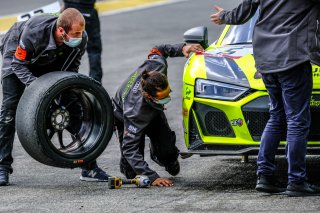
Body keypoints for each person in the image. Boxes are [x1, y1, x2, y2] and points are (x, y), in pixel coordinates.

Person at [211, 0, 320, 196]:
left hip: (265, 58)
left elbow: (242, 13)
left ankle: (265, 176)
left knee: (277, 116)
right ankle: (296, 180)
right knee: (297, 121)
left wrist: (224, 16)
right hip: (292, 58)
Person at [0, 8, 109, 186]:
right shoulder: (33, 33)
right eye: (76, 33)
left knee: (73, 106)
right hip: (17, 56)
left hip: (51, 57)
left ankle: (89, 166)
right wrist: (39, 89)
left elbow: (71, 71)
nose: (80, 37)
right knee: (8, 112)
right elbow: (18, 65)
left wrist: (62, 93)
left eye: (81, 32)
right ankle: (2, 167)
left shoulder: (80, 39)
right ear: (61, 31)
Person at [113, 43, 204, 186]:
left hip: (152, 110)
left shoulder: (157, 66)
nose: (168, 99)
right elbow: (129, 148)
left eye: (168, 93)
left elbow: (159, 49)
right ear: (149, 96)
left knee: (168, 153)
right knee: (132, 172)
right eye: (163, 98)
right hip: (126, 117)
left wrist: (183, 48)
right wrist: (153, 177)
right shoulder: (135, 112)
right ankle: (127, 165)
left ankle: (161, 155)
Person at [62, 0, 103, 83]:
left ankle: (65, 81)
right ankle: (95, 82)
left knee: (66, 49)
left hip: (69, 10)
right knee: (94, 50)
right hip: (87, 10)